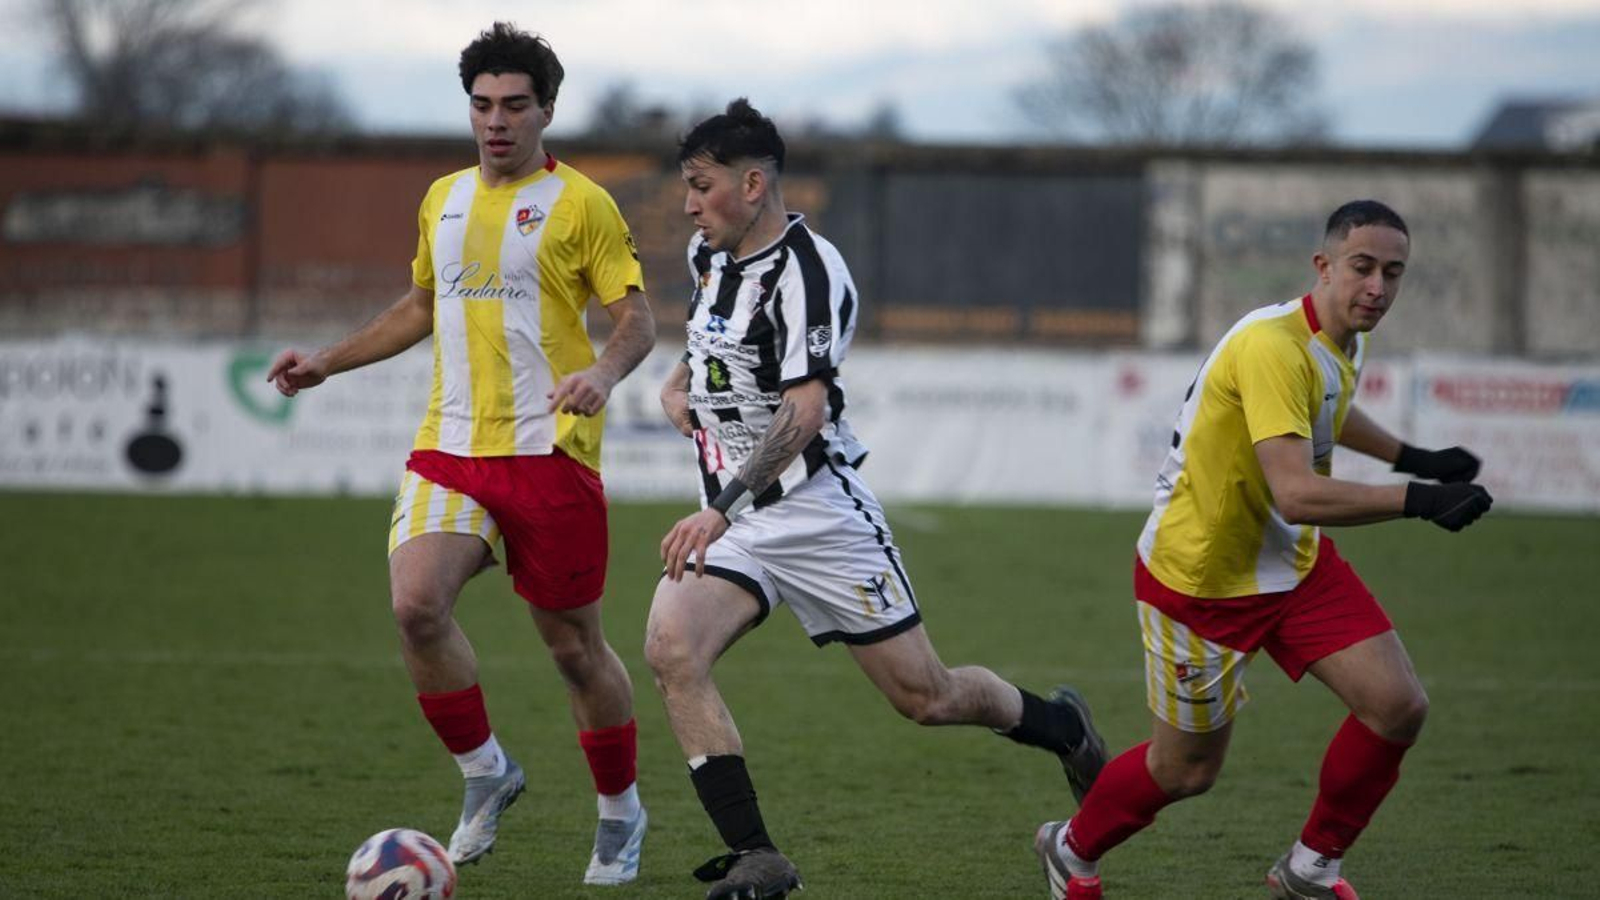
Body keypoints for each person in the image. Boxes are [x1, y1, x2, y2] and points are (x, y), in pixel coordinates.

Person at [642, 98, 1108, 900]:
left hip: (819, 514)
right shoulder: (706, 254)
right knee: (671, 649)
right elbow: (703, 345)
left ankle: (1060, 725)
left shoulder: (812, 270)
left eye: (701, 184)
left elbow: (805, 410)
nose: (689, 203)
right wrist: (678, 386)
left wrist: (720, 508)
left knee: (926, 697)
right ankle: (759, 856)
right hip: (744, 522)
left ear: (753, 185)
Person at [266, 22, 656, 886]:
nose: (496, 121)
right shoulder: (440, 197)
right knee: (415, 606)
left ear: (547, 110)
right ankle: (487, 772)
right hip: (449, 447)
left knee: (573, 651)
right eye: (482, 105)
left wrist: (602, 372)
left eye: (515, 105)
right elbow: (417, 308)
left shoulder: (584, 203)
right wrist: (326, 361)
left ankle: (621, 810)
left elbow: (637, 320)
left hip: (549, 456)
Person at [1033, 200, 1495, 899]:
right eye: (1363, 268)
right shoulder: (1273, 345)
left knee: (1398, 705)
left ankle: (1312, 866)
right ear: (1324, 266)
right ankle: (1070, 849)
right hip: (1201, 580)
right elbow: (1297, 494)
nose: (1377, 287)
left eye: (1392, 273)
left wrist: (1416, 456)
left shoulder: (1341, 337)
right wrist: (1417, 499)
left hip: (1293, 566)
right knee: (1186, 770)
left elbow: (1327, 409)